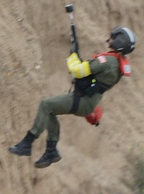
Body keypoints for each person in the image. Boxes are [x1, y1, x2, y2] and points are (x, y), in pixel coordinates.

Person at [8, 25, 136, 169]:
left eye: (113, 37)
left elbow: (77, 71)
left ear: (119, 42)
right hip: (88, 101)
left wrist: (72, 55)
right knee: (50, 110)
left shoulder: (107, 61)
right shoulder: (115, 63)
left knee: (46, 105)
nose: (110, 39)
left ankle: (27, 143)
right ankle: (51, 150)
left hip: (83, 100)